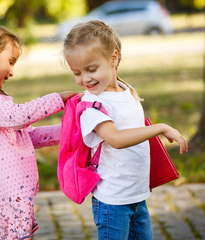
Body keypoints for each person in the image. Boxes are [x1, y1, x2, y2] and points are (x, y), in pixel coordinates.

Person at [0, 10, 77, 239]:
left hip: (10, 195)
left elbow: (28, 135)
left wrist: (71, 131)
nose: (12, 71)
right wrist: (58, 99)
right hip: (0, 197)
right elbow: (19, 116)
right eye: (10, 61)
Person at [62, 20, 188, 240]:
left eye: (91, 69)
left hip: (136, 195)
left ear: (113, 58)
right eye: (77, 73)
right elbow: (116, 139)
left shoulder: (125, 88)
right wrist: (160, 127)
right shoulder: (93, 105)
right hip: (113, 202)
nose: (85, 79)